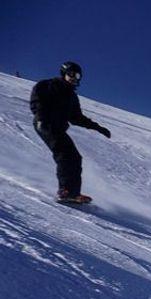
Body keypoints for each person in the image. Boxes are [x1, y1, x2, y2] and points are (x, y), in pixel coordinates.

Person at [29, 61, 111, 204]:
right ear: (64, 74)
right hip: (45, 123)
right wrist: (41, 118)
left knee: (75, 158)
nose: (74, 77)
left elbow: (77, 118)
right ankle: (65, 191)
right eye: (71, 74)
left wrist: (98, 127)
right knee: (64, 155)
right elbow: (37, 101)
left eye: (77, 75)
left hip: (58, 128)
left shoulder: (72, 97)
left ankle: (74, 193)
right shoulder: (48, 85)